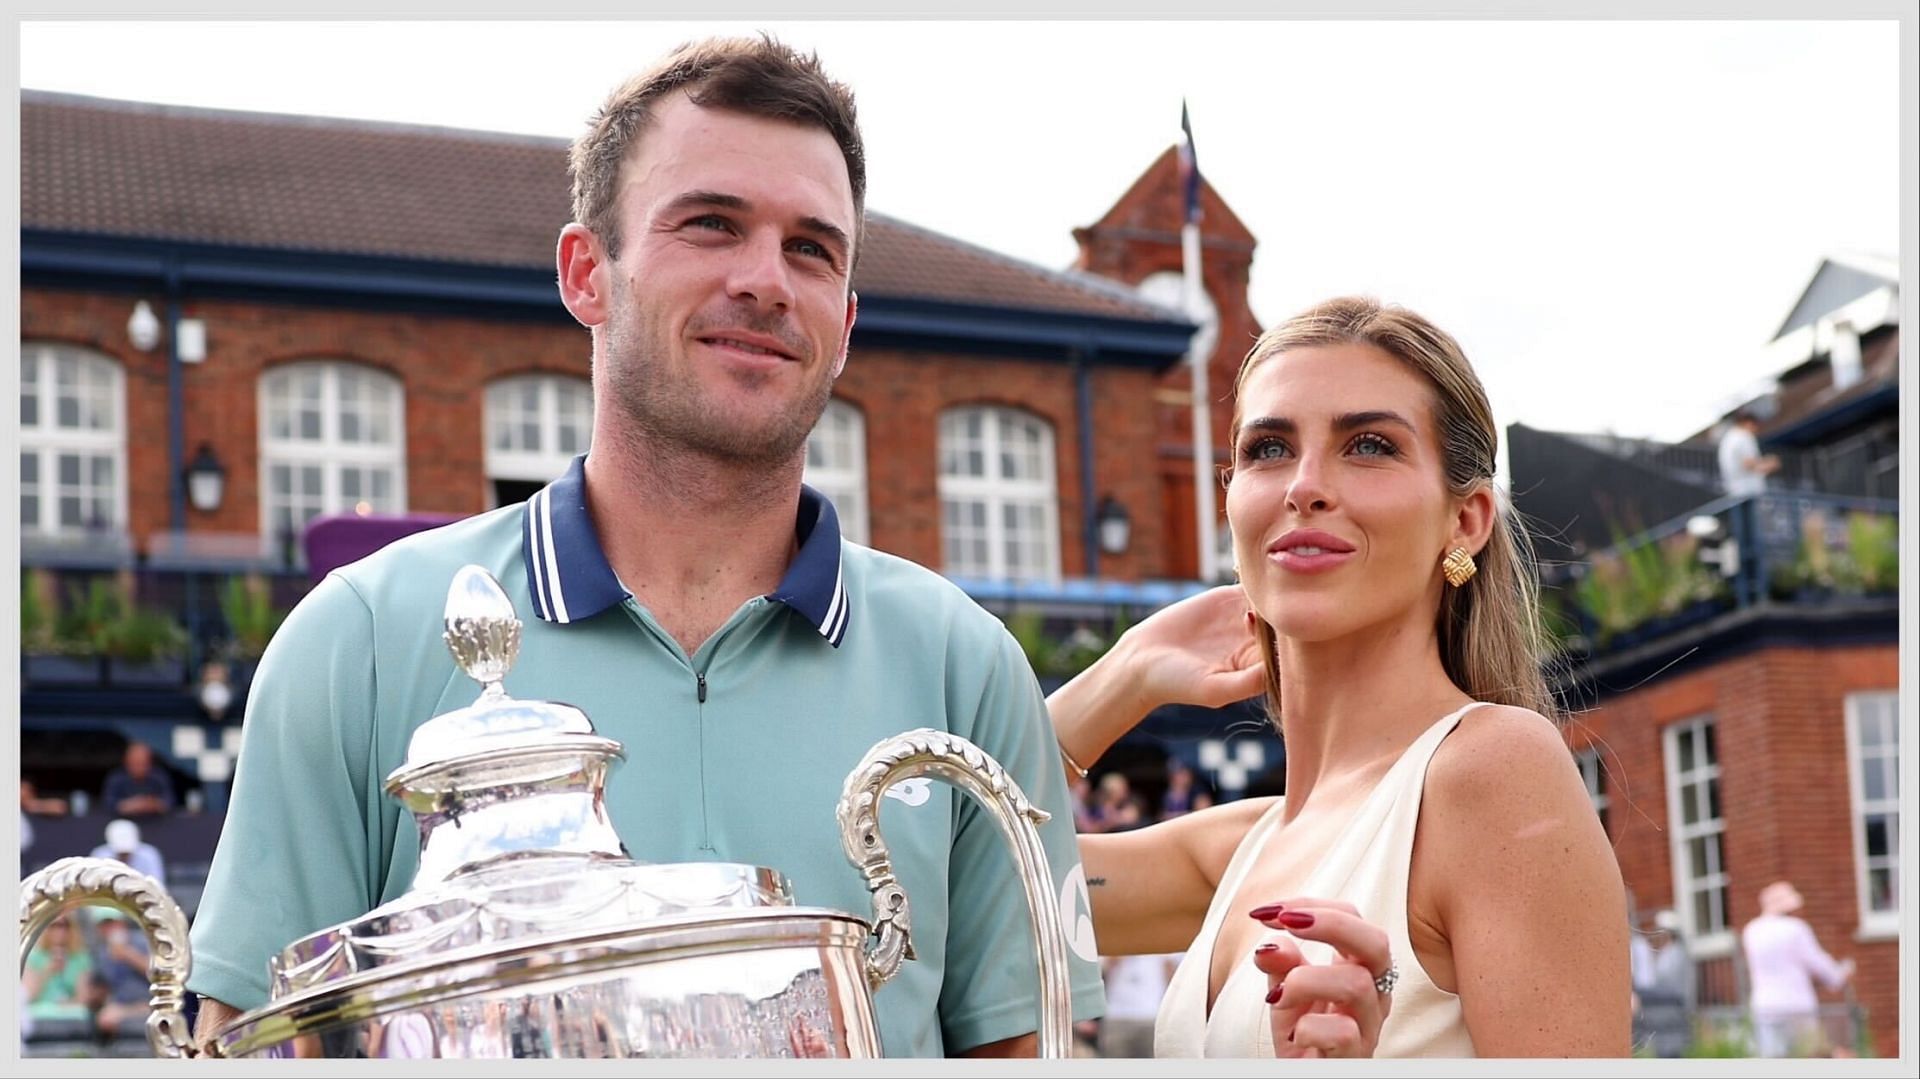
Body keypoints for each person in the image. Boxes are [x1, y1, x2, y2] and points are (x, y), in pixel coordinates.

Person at [185, 36, 1107, 1058]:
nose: (764, 279)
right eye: (710, 225)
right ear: (589, 274)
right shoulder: (354, 641)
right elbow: (255, 1044)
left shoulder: (966, 665)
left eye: (811, 248)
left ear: (843, 324)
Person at [1052, 297, 1632, 1056]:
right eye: (1268, 449)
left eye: (1368, 445)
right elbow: (926, 869)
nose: (1305, 484)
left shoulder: (1489, 771)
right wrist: (1125, 674)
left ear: (1466, 520)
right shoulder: (1244, 848)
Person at [1741, 881, 1853, 1058]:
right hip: (1797, 1006)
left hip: (1765, 1006)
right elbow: (1818, 963)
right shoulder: (1796, 929)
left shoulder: (1751, 930)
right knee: (1808, 1056)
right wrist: (1838, 975)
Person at [102, 741, 175, 818]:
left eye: (143, 763)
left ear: (150, 763)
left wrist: (152, 804)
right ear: (126, 762)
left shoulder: (159, 777)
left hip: (157, 823)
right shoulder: (116, 778)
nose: (139, 768)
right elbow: (108, 803)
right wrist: (130, 805)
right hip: (125, 822)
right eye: (135, 763)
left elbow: (170, 801)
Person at [1716, 408, 1779, 497]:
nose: (1756, 429)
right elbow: (1748, 464)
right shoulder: (1744, 436)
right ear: (1748, 423)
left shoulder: (1729, 437)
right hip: (1748, 490)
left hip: (1735, 490)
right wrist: (1769, 463)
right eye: (1755, 425)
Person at [88, 818, 168, 885]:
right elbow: (94, 883)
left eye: (127, 854)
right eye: (121, 854)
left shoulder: (149, 854)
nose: (124, 856)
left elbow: (157, 883)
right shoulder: (99, 855)